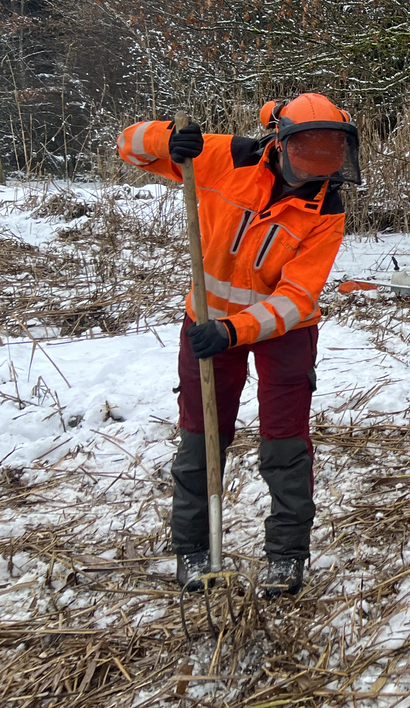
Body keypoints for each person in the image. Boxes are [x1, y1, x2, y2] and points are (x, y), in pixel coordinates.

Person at [117, 93, 360, 597]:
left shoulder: (328, 209)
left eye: (329, 157)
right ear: (280, 142)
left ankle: (287, 555)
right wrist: (166, 138)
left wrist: (235, 330)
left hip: (283, 332)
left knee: (284, 441)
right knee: (202, 434)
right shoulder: (229, 157)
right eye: (307, 155)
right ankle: (193, 547)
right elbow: (129, 146)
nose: (315, 170)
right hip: (207, 320)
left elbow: (297, 297)